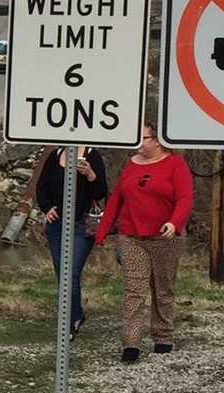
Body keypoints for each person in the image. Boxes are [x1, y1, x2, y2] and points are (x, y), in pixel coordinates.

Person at [96, 122, 194, 364]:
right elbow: (116, 199)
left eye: (142, 138)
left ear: (157, 141)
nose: (137, 142)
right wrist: (102, 231)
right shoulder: (131, 165)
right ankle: (131, 343)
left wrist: (174, 223)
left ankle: (163, 336)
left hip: (164, 236)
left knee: (163, 289)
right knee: (134, 291)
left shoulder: (175, 164)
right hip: (132, 236)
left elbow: (185, 197)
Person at [36, 144, 109, 335]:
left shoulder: (93, 156)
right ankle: (76, 314)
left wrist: (90, 174)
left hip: (82, 226)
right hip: (56, 226)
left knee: (72, 274)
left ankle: (69, 323)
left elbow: (101, 192)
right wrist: (46, 208)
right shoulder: (55, 155)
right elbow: (41, 186)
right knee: (62, 274)